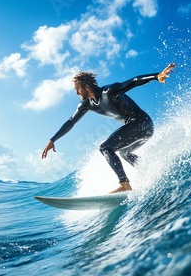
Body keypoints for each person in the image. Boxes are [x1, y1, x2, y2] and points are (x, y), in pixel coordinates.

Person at [42, 63, 176, 193]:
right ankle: (151, 172)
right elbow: (71, 121)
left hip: (142, 123)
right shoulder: (86, 104)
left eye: (77, 88)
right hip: (140, 128)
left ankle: (124, 184)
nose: (76, 92)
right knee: (124, 153)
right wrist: (52, 140)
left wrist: (156, 76)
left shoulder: (108, 92)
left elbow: (134, 81)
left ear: (87, 87)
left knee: (106, 147)